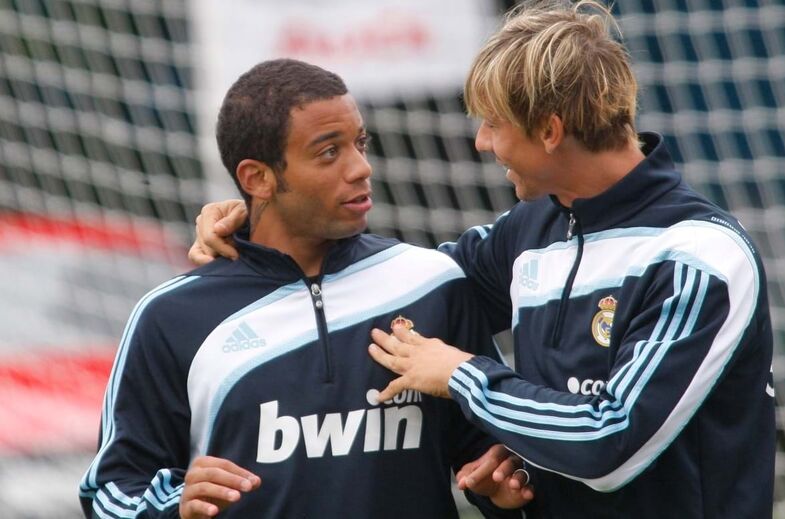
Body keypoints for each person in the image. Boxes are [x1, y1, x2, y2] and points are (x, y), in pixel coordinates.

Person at [190, 1, 776, 518]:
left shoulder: (698, 257)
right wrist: (264, 220)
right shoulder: (532, 229)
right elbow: (397, 289)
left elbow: (610, 442)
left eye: (494, 124)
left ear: (550, 131)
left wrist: (461, 375)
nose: (482, 142)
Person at [79, 58, 530, 519]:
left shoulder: (431, 283)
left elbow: (492, 456)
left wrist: (500, 485)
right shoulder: (170, 316)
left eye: (360, 143)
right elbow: (109, 492)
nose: (361, 168)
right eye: (329, 152)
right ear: (258, 178)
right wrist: (174, 506)